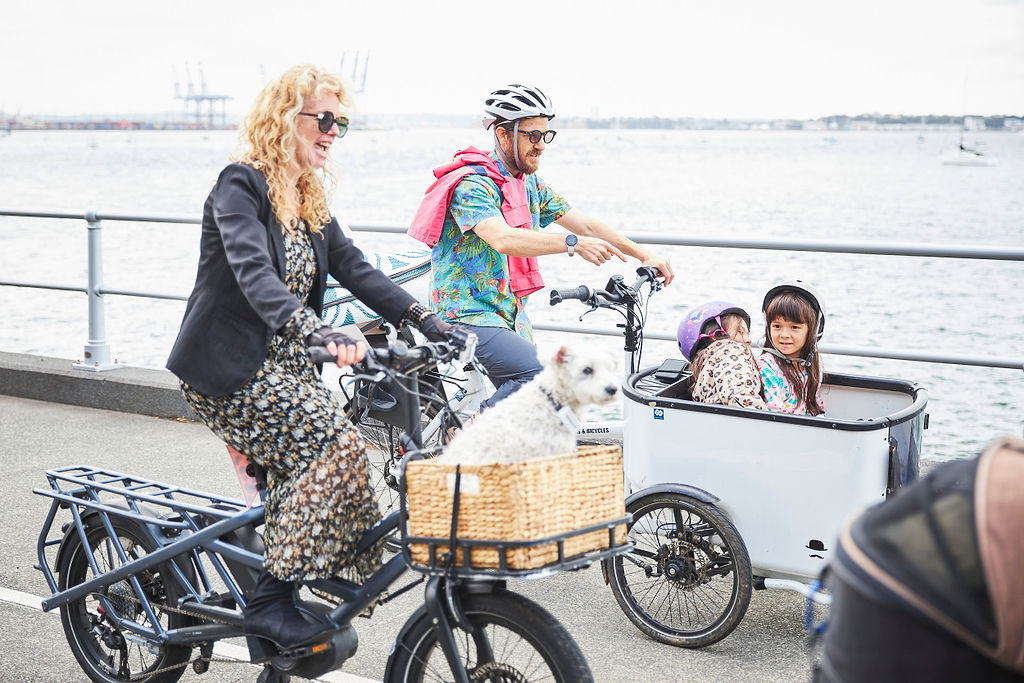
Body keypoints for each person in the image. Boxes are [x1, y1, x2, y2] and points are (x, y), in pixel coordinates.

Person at [166, 65, 451, 655]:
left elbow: (356, 269)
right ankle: (272, 602)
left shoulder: (310, 197)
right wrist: (318, 330)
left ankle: (318, 581)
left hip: (287, 369)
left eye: (340, 124)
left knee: (339, 451)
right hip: (229, 371)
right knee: (333, 446)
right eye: (324, 119)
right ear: (283, 119)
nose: (332, 133)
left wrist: (424, 319)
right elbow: (254, 275)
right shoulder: (239, 186)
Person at [408, 83, 675, 410]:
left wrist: (644, 253)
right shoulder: (473, 182)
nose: (541, 145)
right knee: (538, 380)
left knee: (542, 408)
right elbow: (503, 238)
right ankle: (474, 437)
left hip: (508, 312)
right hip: (465, 314)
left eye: (545, 135)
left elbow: (586, 224)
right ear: (504, 134)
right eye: (532, 136)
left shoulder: (527, 182)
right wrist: (571, 243)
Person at [678, 301, 766, 410]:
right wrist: (773, 422)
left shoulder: (707, 364)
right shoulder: (731, 351)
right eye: (741, 332)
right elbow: (738, 395)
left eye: (747, 334)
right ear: (717, 335)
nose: (748, 340)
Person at [758, 281, 825, 416]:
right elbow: (775, 410)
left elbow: (814, 405)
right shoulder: (767, 364)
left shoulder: (813, 366)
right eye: (777, 326)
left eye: (794, 327)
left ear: (812, 330)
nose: (784, 335)